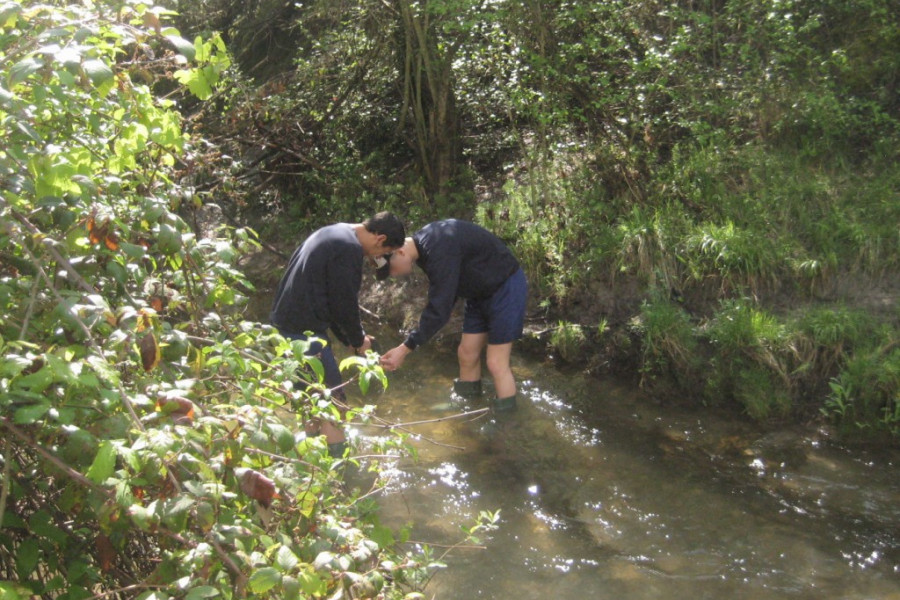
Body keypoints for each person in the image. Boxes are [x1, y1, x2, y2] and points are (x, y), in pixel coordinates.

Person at [270, 212, 406, 457]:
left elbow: (329, 300)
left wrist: (350, 341)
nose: (377, 259)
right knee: (335, 405)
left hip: (285, 327)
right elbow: (344, 304)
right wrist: (358, 340)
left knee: (311, 402)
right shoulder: (348, 248)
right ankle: (340, 474)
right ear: (380, 238)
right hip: (304, 335)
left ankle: (311, 464)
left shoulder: (335, 232)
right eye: (382, 253)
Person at [378, 219, 527, 412]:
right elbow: (445, 293)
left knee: (496, 363)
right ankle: (468, 406)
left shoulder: (438, 248)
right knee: (466, 354)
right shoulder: (425, 246)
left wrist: (405, 348)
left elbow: (440, 308)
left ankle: (505, 420)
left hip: (505, 287)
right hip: (478, 294)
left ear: (400, 252)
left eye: (390, 268)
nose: (393, 274)